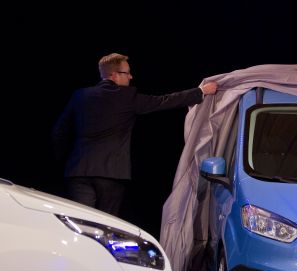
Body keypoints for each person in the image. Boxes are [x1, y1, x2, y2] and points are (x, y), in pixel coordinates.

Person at [52, 52, 218, 217]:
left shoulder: (80, 96)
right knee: (104, 222)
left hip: (78, 172)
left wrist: (66, 160)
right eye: (127, 72)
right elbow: (164, 101)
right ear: (114, 75)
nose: (131, 77)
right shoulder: (127, 97)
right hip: (111, 173)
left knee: (80, 220)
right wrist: (200, 91)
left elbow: (59, 131)